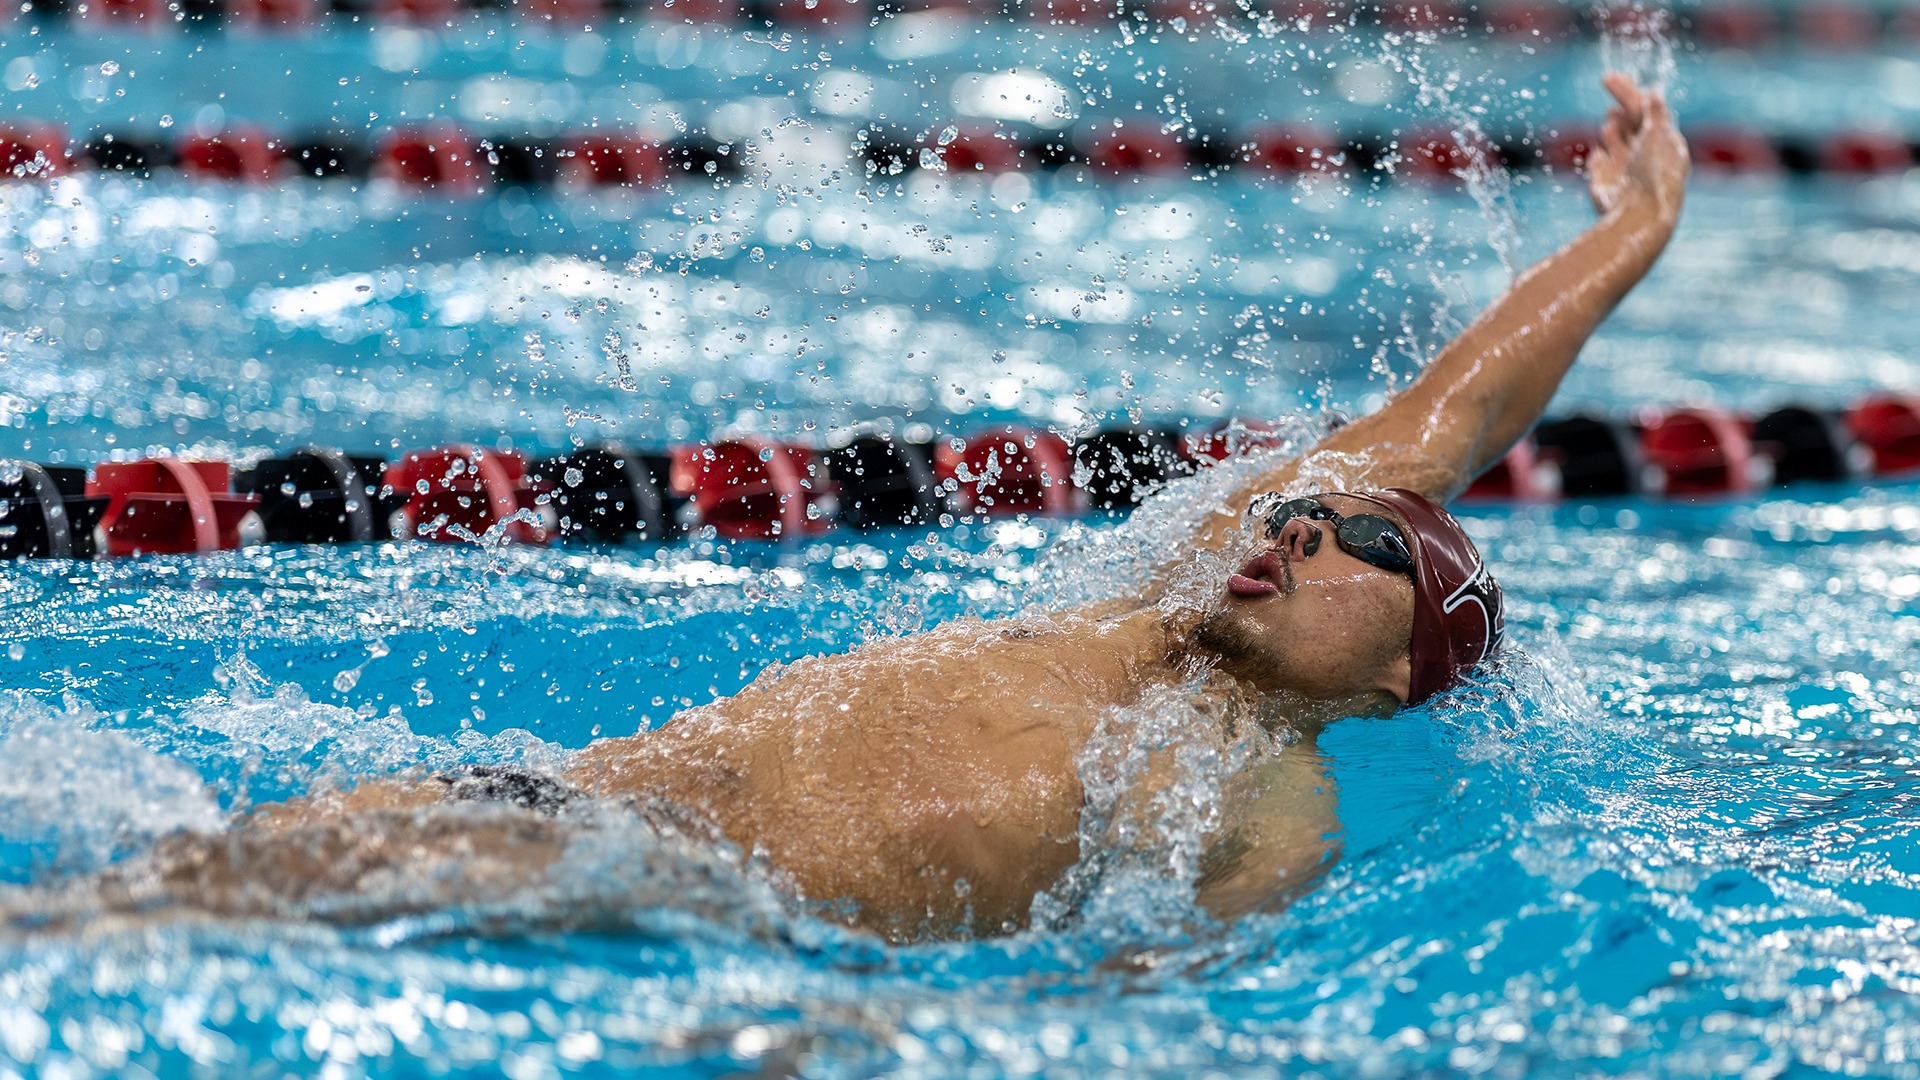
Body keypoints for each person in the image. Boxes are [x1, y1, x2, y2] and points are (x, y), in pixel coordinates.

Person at [24, 74, 1689, 943]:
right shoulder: (1145, 603)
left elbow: (1142, 1015)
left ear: (1401, 676)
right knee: (155, 885)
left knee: (141, 927)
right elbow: (1443, 417)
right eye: (1321, 516)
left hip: (695, 919)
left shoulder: (1263, 804)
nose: (1317, 527)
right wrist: (1631, 233)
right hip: (574, 805)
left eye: (1371, 545)